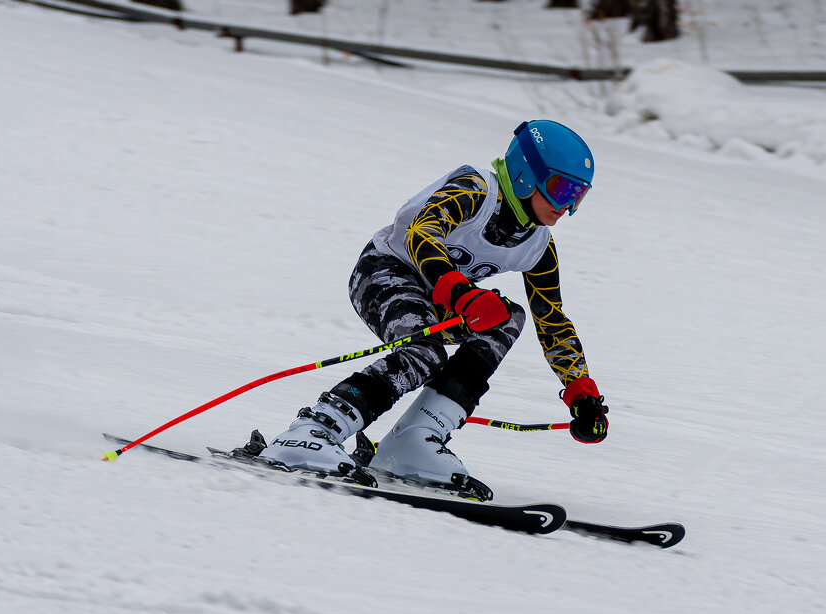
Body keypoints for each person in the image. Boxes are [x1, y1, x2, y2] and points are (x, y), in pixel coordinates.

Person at [246, 120, 609, 492]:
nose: (566, 206)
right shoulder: (477, 190)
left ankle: (415, 440)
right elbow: (422, 231)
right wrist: (461, 293)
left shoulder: (538, 246)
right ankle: (314, 431)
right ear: (524, 175)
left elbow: (551, 320)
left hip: (443, 298)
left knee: (507, 317)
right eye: (561, 189)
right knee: (425, 352)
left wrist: (581, 391)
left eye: (578, 196)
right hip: (383, 272)